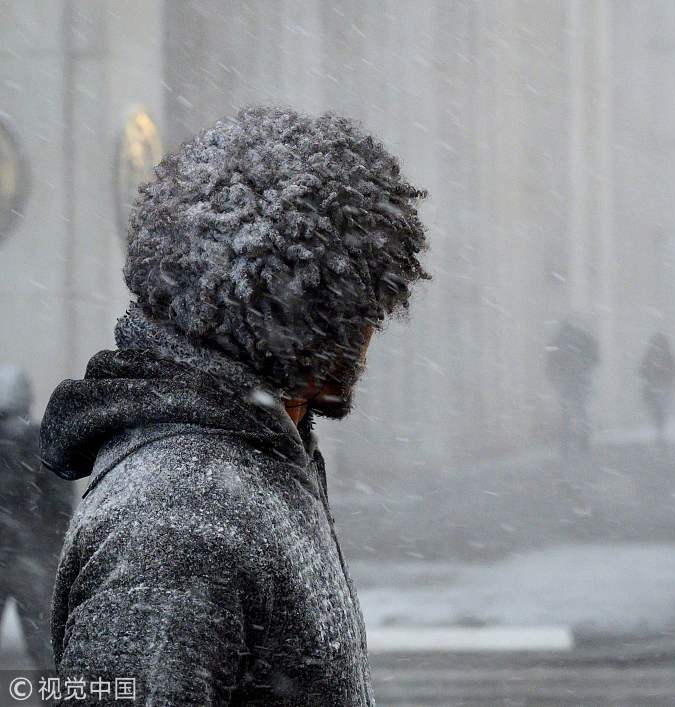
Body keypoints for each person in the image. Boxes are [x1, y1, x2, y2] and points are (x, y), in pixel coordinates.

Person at [39, 107, 429, 705]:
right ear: (303, 322)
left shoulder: (245, 470)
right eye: (362, 309)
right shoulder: (180, 519)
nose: (373, 331)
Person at [0, 366, 73, 671]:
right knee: (46, 652)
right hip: (34, 559)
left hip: (19, 554)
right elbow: (61, 504)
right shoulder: (45, 440)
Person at [546, 318, 600, 457]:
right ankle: (583, 436)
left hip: (566, 379)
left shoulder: (558, 339)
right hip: (581, 377)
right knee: (581, 408)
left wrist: (553, 376)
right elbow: (595, 357)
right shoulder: (583, 338)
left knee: (566, 409)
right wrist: (587, 367)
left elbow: (551, 360)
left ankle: (566, 438)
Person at [639, 332, 675, 448]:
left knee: (661, 409)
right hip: (655, 386)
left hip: (663, 386)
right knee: (657, 409)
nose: (659, 345)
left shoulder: (667, 355)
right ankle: (659, 428)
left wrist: (668, 377)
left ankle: (660, 429)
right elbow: (642, 368)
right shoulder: (651, 354)